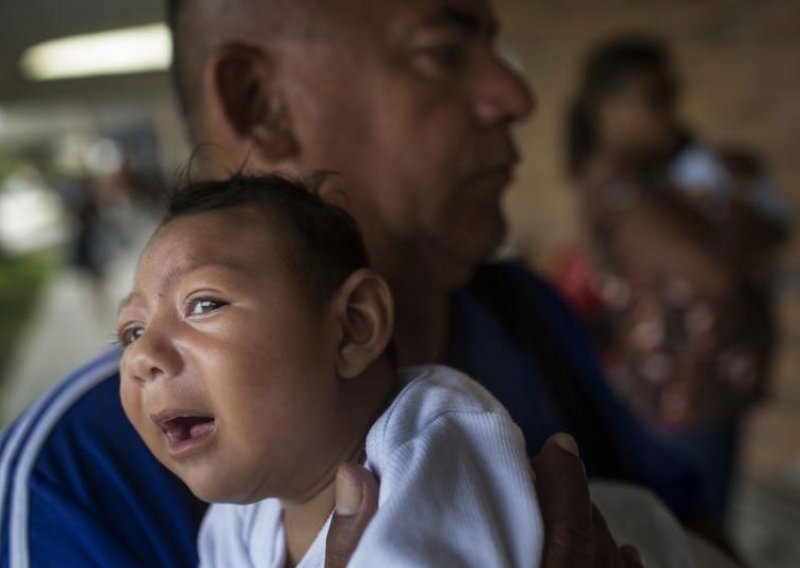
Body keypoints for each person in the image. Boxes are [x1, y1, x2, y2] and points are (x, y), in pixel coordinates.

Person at [0, 2, 705, 566]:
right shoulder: (72, 478)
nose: (514, 94)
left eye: (205, 305)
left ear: (356, 326)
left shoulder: (522, 322)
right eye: (444, 50)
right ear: (261, 105)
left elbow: (689, 525)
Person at [118, 173, 544, 566]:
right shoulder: (233, 528)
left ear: (353, 327)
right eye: (132, 331)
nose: (142, 356)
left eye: (205, 304)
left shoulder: (432, 436)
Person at [553, 35, 790, 520]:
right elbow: (715, 276)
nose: (669, 112)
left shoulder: (663, 180)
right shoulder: (623, 192)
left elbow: (771, 230)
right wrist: (740, 211)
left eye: (671, 94)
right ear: (607, 107)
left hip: (701, 395)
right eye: (654, 98)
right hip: (680, 403)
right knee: (694, 532)